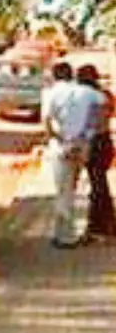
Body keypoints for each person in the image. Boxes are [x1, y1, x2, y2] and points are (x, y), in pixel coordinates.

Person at [42, 60, 99, 247]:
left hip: (61, 145)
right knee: (73, 187)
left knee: (62, 190)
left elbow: (47, 120)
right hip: (82, 144)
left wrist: (54, 137)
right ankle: (69, 231)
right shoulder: (83, 92)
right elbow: (102, 105)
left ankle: (65, 236)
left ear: (54, 75)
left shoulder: (51, 93)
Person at [77, 65, 116, 240]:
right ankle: (97, 223)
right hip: (105, 142)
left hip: (94, 143)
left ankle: (106, 224)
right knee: (97, 184)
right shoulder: (105, 95)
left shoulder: (86, 99)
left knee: (98, 186)